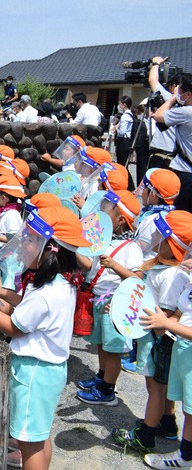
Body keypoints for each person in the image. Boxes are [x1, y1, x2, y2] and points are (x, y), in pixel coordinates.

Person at [0, 206, 90, 470]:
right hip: (50, 370)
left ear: (48, 248)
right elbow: (33, 312)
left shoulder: (43, 294)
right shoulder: (61, 284)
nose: (23, 245)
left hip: (33, 374)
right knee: (39, 437)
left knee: (28, 443)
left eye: (30, 240)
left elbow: (14, 326)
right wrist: (5, 294)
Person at [113, 211, 192, 453]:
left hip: (158, 340)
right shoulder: (161, 266)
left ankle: (146, 434)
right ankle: (166, 423)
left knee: (155, 387)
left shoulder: (172, 275)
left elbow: (166, 313)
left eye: (161, 233)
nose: (155, 235)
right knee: (160, 386)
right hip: (153, 336)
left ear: (172, 242)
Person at [76, 190, 143, 405]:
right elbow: (91, 267)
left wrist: (114, 265)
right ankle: (101, 376)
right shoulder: (105, 240)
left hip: (114, 303)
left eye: (107, 210)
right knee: (101, 344)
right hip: (99, 299)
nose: (101, 213)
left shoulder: (131, 248)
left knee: (113, 348)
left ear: (121, 220)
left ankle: (107, 390)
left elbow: (137, 279)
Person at [139, 251, 192, 468]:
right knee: (187, 407)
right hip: (182, 350)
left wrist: (168, 324)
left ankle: (185, 457)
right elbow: (179, 313)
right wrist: (161, 321)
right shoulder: (190, 287)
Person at [153, 75, 192, 213]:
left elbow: (158, 115)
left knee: (182, 214)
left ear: (188, 94)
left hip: (186, 171)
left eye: (179, 90)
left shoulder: (187, 112)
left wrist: (173, 98)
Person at [148, 57, 179, 170]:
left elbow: (152, 80)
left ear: (175, 87)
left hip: (162, 154)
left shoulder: (170, 100)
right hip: (178, 158)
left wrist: (155, 63)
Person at [114, 96, 134, 167]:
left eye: (120, 104)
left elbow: (122, 132)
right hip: (128, 140)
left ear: (124, 104)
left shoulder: (125, 116)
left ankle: (126, 178)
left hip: (123, 142)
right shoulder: (131, 114)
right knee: (125, 163)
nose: (119, 106)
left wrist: (116, 129)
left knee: (122, 163)